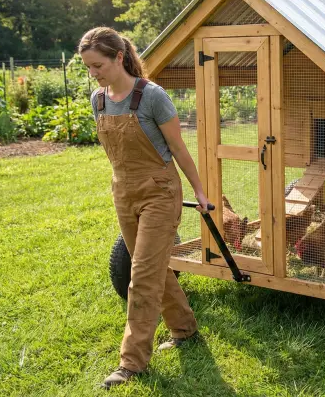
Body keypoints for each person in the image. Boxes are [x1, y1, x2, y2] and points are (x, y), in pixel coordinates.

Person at [78, 27, 211, 389]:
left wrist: (199, 191)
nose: (93, 73)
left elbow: (178, 149)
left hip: (160, 192)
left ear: (119, 57)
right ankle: (185, 328)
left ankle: (131, 362)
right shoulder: (98, 100)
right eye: (88, 67)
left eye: (98, 65)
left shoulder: (152, 96)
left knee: (142, 276)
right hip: (123, 192)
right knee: (152, 268)